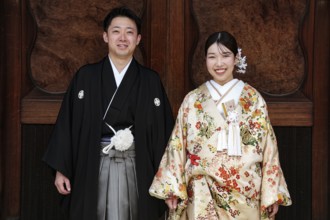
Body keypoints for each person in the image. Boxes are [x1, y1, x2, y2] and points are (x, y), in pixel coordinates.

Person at [43, 6, 174, 220]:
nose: (123, 38)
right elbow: (68, 124)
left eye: (129, 32)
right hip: (93, 163)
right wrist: (62, 168)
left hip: (136, 164)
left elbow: (165, 132)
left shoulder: (151, 81)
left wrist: (169, 179)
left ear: (138, 38)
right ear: (105, 36)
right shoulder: (86, 77)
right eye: (116, 31)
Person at [149, 31, 292, 219]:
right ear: (205, 60)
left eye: (225, 56)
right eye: (212, 57)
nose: (219, 63)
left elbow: (269, 148)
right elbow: (178, 145)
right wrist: (172, 188)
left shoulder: (253, 99)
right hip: (201, 192)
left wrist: (271, 193)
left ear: (236, 58)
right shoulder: (193, 100)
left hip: (245, 192)